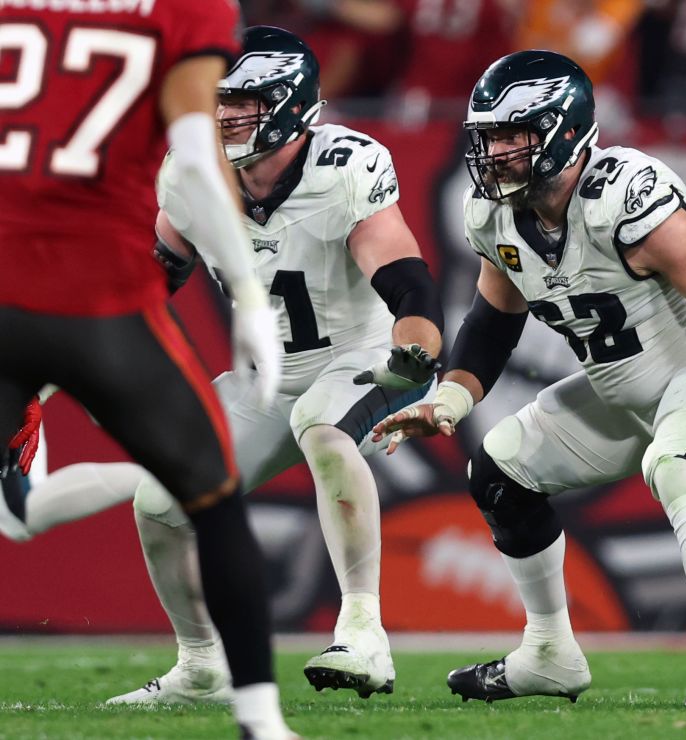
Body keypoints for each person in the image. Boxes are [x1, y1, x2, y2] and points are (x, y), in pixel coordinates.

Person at [0, 26, 444, 705]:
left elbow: (407, 281)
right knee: (160, 499)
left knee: (323, 432)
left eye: (246, 100)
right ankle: (202, 664)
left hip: (362, 353)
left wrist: (415, 350)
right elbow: (139, 286)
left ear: (293, 103)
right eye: (220, 99)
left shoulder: (344, 164)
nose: (226, 114)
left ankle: (364, 632)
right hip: (269, 374)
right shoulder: (190, 175)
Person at [372, 49, 686, 706]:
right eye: (488, 137)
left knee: (677, 469)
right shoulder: (497, 215)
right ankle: (550, 651)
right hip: (617, 390)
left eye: (511, 136)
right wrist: (450, 399)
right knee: (498, 471)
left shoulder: (625, 200)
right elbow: (493, 321)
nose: (494, 153)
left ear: (563, 131)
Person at [0, 2, 295, 738]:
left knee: (14, 513)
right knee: (214, 497)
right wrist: (250, 294)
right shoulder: (184, 7)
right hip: (100, 300)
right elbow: (196, 158)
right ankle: (260, 721)